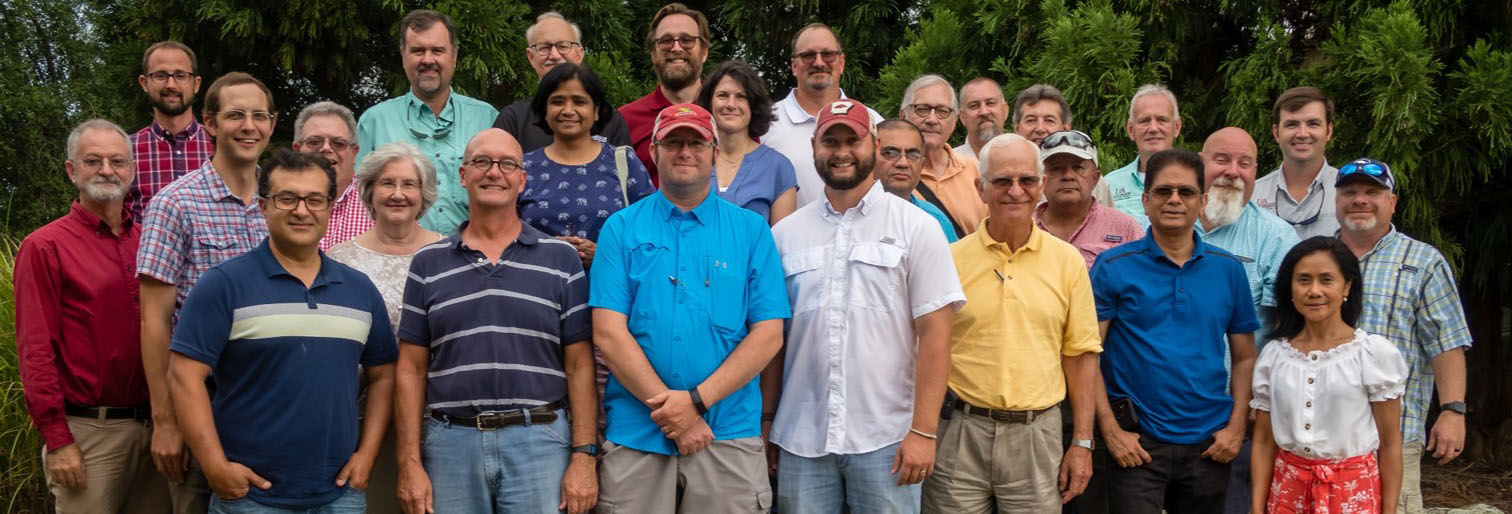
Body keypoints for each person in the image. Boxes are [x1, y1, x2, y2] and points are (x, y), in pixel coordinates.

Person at [167, 149, 397, 513]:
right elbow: (183, 376)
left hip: (341, 494)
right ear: (263, 206)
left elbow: (384, 375)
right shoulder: (224, 285)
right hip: (251, 497)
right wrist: (214, 466)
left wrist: (367, 455)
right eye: (287, 198)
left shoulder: (359, 290)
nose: (302, 210)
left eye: (314, 199)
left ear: (329, 206)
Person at [590, 104, 789, 513]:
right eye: (673, 142)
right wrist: (673, 414)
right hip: (637, 433)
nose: (685, 152)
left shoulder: (751, 231)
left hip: (728, 431)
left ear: (715, 152)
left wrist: (695, 403)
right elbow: (608, 333)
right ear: (655, 153)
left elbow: (769, 333)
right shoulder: (621, 228)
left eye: (696, 142)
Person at [768, 100, 963, 513]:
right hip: (803, 438)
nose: (841, 152)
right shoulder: (784, 235)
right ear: (813, 147)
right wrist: (769, 421)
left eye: (852, 141)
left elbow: (936, 336)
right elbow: (774, 340)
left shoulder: (917, 227)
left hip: (888, 439)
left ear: (873, 145)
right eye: (830, 141)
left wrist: (924, 432)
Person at [393, 129, 599, 514]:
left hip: (540, 440)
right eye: (482, 162)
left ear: (522, 180)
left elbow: (580, 363)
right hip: (451, 443)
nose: (494, 172)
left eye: (507, 164)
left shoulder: (560, 259)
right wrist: (408, 463)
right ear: (462, 174)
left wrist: (584, 456)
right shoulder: (428, 263)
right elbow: (410, 369)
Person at [921, 133, 1099, 512]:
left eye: (1026, 180)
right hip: (958, 432)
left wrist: (1082, 443)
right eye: (1002, 180)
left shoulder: (1067, 262)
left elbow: (1081, 355)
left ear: (1042, 187)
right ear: (981, 188)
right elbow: (925, 350)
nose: (1015, 191)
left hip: (1036, 436)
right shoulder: (949, 259)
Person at [137, 71, 277, 514]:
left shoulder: (284, 203)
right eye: (236, 115)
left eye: (259, 116)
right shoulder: (174, 204)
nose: (249, 126)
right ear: (211, 124)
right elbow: (154, 320)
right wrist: (166, 421)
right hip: (204, 402)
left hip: (273, 403)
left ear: (272, 124)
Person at [16, 120, 171, 513]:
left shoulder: (150, 242)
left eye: (117, 161)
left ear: (132, 170)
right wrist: (59, 440)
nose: (106, 169)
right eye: (93, 161)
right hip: (89, 434)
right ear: (72, 171)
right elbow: (36, 349)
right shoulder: (45, 247)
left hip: (157, 428)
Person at [1091, 149, 1258, 513]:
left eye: (1186, 192)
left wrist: (1236, 428)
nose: (1174, 200)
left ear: (1203, 202)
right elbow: (1089, 354)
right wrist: (1112, 432)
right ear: (1145, 201)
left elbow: (1245, 357)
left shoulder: (1228, 270)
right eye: (1164, 192)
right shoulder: (1113, 266)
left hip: (1209, 444)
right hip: (1136, 444)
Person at [1333, 158, 1472, 514]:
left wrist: (1453, 411)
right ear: (1336, 202)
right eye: (1349, 192)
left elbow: (1446, 342)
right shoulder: (1314, 257)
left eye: (1372, 192)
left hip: (1394, 439)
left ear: (1392, 202)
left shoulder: (1424, 261)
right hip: (1323, 440)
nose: (1360, 199)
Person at [325, 142, 442, 514]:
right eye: (387, 183)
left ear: (424, 194)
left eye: (409, 184)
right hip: (357, 419)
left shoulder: (449, 256)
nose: (397, 194)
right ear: (369, 191)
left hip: (435, 418)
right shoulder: (338, 260)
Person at [1250, 236, 1407, 514]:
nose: (1314, 291)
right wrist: (1257, 507)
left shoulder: (1372, 354)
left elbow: (1391, 443)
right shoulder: (1275, 356)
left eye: (1326, 279)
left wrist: (1389, 510)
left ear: (1346, 285)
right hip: (1287, 493)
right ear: (1290, 288)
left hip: (1353, 495)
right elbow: (1263, 441)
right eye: (1303, 280)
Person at [1196, 128, 1302, 514]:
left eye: (1245, 163)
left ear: (1257, 171)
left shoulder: (1275, 237)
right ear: (1200, 162)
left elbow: (1289, 331)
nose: (1233, 171)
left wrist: (1261, 402)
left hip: (1238, 411)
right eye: (1222, 159)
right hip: (1167, 410)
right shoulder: (1164, 225)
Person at [357, 9, 498, 235]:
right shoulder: (374, 122)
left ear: (454, 55)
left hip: (473, 256)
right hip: (398, 256)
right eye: (418, 51)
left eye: (438, 50)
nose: (428, 60)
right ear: (403, 56)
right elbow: (358, 202)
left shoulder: (487, 119)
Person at [520, 62, 656, 269]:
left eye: (579, 101)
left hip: (609, 294)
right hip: (539, 293)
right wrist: (547, 250)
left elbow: (652, 233)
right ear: (545, 110)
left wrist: (603, 254)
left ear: (596, 111)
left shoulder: (623, 162)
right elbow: (503, 236)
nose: (568, 110)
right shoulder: (523, 167)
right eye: (557, 101)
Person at [765, 23, 883, 207]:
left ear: (841, 63)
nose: (819, 63)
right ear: (794, 66)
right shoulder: (766, 124)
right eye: (808, 56)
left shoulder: (873, 121)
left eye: (827, 54)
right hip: (790, 235)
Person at [494, 12, 632, 153]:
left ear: (579, 54)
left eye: (563, 46)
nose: (554, 55)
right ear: (531, 57)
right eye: (544, 47)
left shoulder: (610, 119)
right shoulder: (513, 119)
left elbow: (625, 172)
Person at [695, 60, 798, 224]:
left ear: (754, 105)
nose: (730, 104)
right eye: (722, 95)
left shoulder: (777, 167)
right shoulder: (691, 159)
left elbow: (781, 243)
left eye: (741, 97)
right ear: (709, 102)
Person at [619, 3, 711, 185]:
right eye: (666, 41)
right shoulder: (624, 120)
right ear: (653, 53)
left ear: (704, 52)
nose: (676, 48)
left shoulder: (729, 114)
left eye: (687, 40)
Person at [128, 41, 214, 220]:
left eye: (181, 75)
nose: (171, 85)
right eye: (160, 76)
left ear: (196, 84)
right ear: (144, 83)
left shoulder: (220, 147)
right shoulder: (125, 152)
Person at [1034, 130, 1143, 269]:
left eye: (1078, 168)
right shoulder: (1023, 228)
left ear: (1095, 178)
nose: (1068, 176)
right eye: (1056, 168)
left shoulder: (1124, 228)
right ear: (1041, 180)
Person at [900, 74, 986, 237]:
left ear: (954, 122)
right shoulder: (890, 173)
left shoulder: (976, 170)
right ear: (903, 115)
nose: (932, 119)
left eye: (942, 111)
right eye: (922, 109)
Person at [1254, 87, 1340, 239]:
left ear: (1328, 131)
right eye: (1291, 124)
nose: (1302, 134)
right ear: (1276, 133)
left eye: (1313, 124)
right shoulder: (1253, 196)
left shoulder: (1347, 191)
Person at [1096, 84, 1183, 220]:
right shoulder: (1110, 185)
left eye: (1162, 120)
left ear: (1177, 127)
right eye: (1144, 121)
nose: (1153, 128)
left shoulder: (1195, 179)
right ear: (1131, 130)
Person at [292, 101, 369, 250]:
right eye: (314, 142)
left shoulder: (379, 206)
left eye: (338, 143)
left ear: (354, 152)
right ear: (297, 149)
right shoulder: (274, 202)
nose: (326, 148)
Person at [875, 119, 958, 242]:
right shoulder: (847, 213)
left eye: (912, 155)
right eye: (890, 153)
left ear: (922, 165)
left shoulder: (935, 220)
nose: (903, 163)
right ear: (869, 158)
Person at [952, 77, 1008, 159]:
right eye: (974, 106)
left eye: (990, 103)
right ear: (962, 117)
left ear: (1005, 111)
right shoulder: (948, 164)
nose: (984, 112)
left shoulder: (1026, 158)